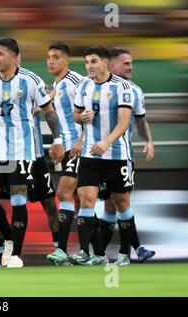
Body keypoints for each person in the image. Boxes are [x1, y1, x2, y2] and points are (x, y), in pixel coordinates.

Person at [0, 38, 64, 268]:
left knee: (20, 199)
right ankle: (11, 238)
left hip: (24, 150)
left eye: (0, 54)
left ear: (13, 57)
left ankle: (16, 255)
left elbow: (49, 111)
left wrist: (57, 140)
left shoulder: (30, 80)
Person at [72, 45, 139, 266]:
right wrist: (82, 117)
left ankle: (124, 253)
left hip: (117, 155)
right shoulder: (83, 85)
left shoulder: (122, 87)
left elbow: (124, 122)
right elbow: (76, 114)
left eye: (93, 62)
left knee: (121, 203)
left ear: (106, 64)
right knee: (86, 199)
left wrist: (107, 142)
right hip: (90, 154)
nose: (89, 66)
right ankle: (86, 252)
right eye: (86, 62)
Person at [93, 47, 155, 266]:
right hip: (96, 157)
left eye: (131, 63)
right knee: (112, 204)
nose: (131, 67)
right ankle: (124, 251)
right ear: (111, 65)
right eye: (126, 63)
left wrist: (148, 140)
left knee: (118, 202)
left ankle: (117, 253)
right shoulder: (93, 86)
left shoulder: (134, 90)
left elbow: (140, 120)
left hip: (121, 156)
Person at [43, 42, 85, 265]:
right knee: (80, 200)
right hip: (68, 148)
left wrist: (80, 140)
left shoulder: (75, 82)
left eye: (56, 57)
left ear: (66, 60)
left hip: (81, 147)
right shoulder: (56, 85)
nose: (50, 60)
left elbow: (90, 110)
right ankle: (91, 251)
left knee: (64, 191)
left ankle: (61, 249)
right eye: (49, 57)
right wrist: (56, 143)